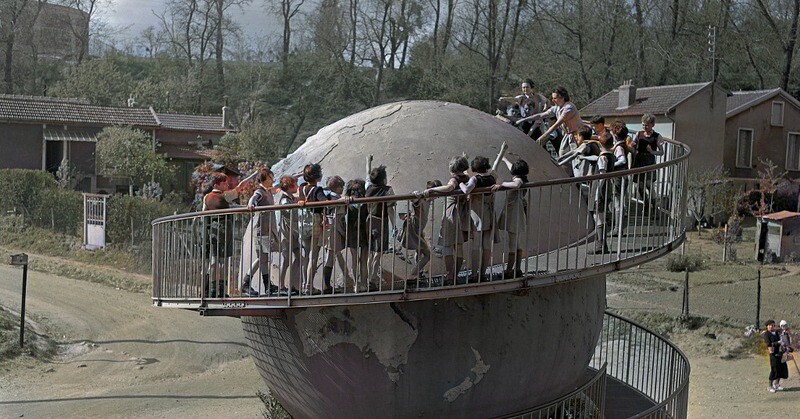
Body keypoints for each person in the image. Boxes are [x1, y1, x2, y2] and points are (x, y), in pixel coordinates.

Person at [418, 156, 471, 285]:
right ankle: (455, 274)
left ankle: (449, 275)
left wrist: (431, 190)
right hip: (463, 213)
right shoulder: (467, 178)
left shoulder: (454, 179)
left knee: (447, 247)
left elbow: (449, 188)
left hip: (451, 214)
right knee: (459, 247)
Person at [459, 144, 507, 282]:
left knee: (476, 247)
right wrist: (502, 152)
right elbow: (495, 167)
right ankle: (483, 273)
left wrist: (461, 185)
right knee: (486, 246)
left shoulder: (475, 179)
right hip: (489, 215)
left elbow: (467, 189)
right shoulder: (492, 177)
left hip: (477, 216)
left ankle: (474, 274)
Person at [516, 86, 585, 168]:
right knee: (562, 154)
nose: (553, 100)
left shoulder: (568, 108)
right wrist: (523, 120)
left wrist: (543, 136)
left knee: (576, 156)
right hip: (568, 135)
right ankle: (570, 175)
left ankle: (580, 175)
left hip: (578, 135)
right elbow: (541, 115)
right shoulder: (556, 108)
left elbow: (557, 124)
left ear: (562, 97)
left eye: (555, 98)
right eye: (552, 98)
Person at [492, 157, 530, 278]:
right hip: (516, 212)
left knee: (512, 243)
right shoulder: (522, 177)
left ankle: (510, 269)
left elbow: (517, 184)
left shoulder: (518, 180)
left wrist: (502, 185)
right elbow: (513, 171)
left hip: (514, 213)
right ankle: (517, 268)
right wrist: (505, 159)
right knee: (517, 242)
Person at [243, 168, 278, 296]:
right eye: (270, 177)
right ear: (265, 178)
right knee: (262, 257)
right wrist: (251, 204)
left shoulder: (267, 192)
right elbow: (253, 198)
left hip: (266, 228)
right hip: (261, 229)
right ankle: (246, 282)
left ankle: (267, 285)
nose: (272, 179)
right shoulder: (260, 191)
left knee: (264, 258)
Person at [399, 180, 441, 285]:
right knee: (427, 254)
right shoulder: (422, 199)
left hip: (418, 229)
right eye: (436, 195)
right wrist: (415, 194)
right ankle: (412, 276)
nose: (437, 198)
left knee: (419, 252)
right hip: (413, 229)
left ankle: (418, 273)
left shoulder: (428, 201)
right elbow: (412, 198)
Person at [365, 158, 396, 291]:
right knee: (378, 251)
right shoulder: (388, 190)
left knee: (370, 251)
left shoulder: (368, 187)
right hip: (380, 222)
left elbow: (367, 175)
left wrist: (368, 162)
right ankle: (372, 279)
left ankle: (368, 275)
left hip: (368, 221)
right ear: (384, 179)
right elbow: (390, 209)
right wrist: (394, 225)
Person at [297, 164, 328, 294]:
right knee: (313, 256)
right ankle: (309, 285)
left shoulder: (302, 188)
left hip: (303, 223)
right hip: (315, 221)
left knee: (305, 255)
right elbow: (325, 202)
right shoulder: (318, 190)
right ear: (317, 176)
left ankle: (304, 284)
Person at [202, 174, 234, 298]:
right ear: (217, 185)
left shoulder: (207, 197)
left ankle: (212, 289)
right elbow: (238, 189)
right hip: (224, 228)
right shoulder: (224, 196)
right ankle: (221, 289)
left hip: (213, 230)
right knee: (223, 261)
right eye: (224, 183)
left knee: (214, 260)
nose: (227, 185)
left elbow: (204, 213)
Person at [321, 175, 351, 294]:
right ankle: (326, 285)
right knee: (330, 257)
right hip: (334, 229)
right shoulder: (332, 197)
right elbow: (331, 204)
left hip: (336, 229)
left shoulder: (334, 196)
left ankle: (346, 275)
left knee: (335, 254)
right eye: (341, 187)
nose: (342, 189)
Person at [630, 113, 665, 213]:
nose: (645, 127)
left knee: (649, 184)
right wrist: (632, 146)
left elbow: (661, 152)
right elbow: (634, 144)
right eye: (643, 125)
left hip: (649, 161)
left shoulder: (656, 136)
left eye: (647, 125)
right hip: (639, 160)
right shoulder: (639, 134)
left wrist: (652, 152)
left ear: (652, 125)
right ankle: (645, 204)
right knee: (640, 186)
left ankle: (654, 207)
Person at [275, 176, 301, 296]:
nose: (297, 186)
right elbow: (287, 210)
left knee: (298, 257)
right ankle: (281, 286)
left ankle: (292, 284)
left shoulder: (290, 197)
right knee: (286, 259)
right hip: (286, 233)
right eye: (295, 184)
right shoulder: (285, 199)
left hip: (293, 233)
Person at [343, 178, 370, 292]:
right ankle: (363, 284)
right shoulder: (366, 202)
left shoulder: (347, 203)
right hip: (364, 231)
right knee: (363, 260)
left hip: (352, 231)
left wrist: (345, 198)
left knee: (354, 260)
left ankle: (355, 285)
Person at [764, 319, 789, 392]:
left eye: (772, 325)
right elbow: (768, 343)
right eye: (770, 325)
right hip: (773, 354)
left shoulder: (776, 333)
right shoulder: (767, 334)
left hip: (780, 353)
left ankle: (777, 384)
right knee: (774, 369)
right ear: (767, 326)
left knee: (781, 368)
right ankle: (770, 386)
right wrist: (777, 343)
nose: (771, 326)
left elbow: (783, 338)